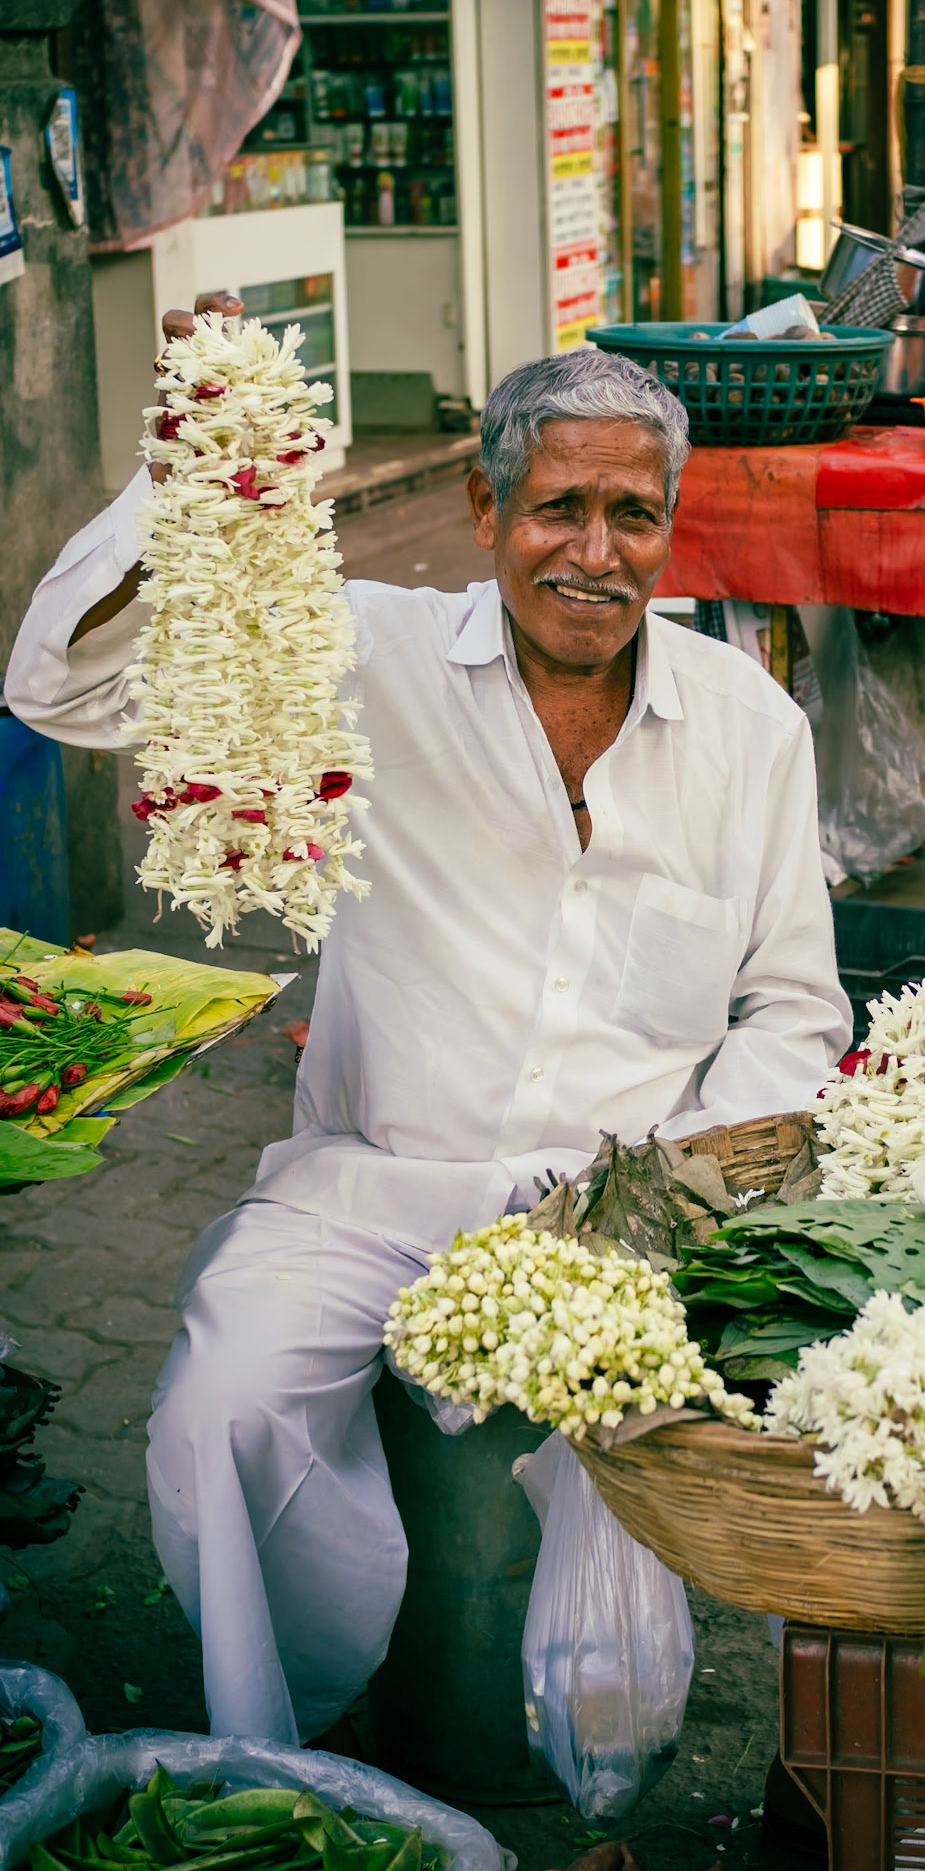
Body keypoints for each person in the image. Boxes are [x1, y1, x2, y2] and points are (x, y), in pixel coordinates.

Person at [4, 295, 852, 1747]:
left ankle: (582, 1738)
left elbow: (792, 1006)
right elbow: (57, 682)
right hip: (373, 1186)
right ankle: (280, 1748)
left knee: (668, 1464)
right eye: (560, 508)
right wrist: (197, 472)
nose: (597, 553)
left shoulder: (748, 729)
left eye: (634, 516)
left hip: (625, 1217)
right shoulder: (359, 656)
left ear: (671, 525)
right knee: (223, 1402)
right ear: (484, 507)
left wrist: (671, 1198)